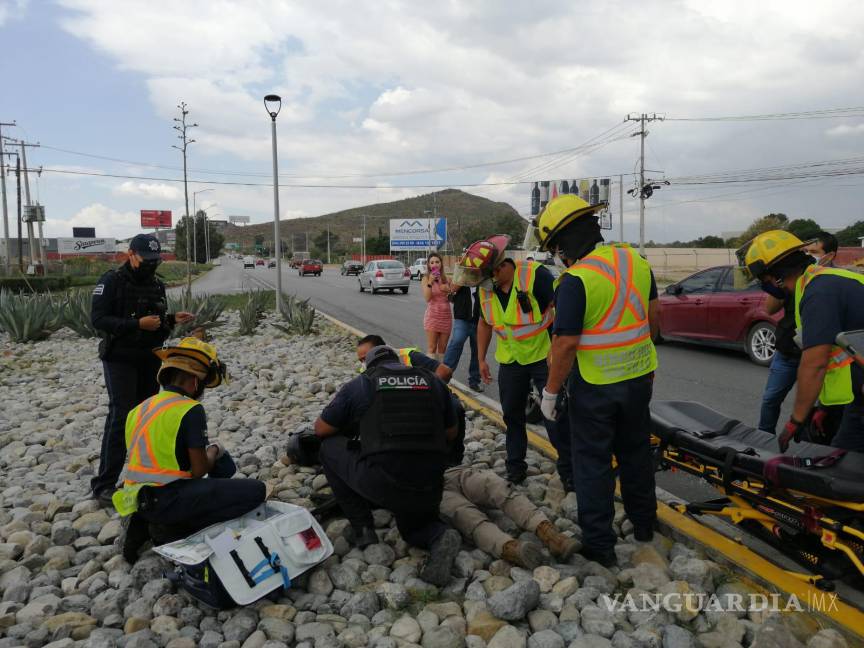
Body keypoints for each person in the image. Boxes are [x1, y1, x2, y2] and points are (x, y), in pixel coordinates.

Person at [535, 194, 660, 568]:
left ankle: (600, 546)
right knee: (636, 452)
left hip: (596, 385)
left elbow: (566, 342)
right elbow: (654, 316)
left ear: (563, 242)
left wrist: (551, 392)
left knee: (592, 462)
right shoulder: (636, 261)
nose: (556, 254)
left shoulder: (576, 280)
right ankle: (644, 524)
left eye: (555, 246)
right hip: (638, 378)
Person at [314, 345, 462, 586]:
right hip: (430, 484)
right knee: (413, 531)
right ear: (399, 361)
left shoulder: (361, 385)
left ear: (369, 365)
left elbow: (321, 429)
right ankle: (438, 535)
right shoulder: (432, 382)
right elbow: (451, 432)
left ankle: (362, 529)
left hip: (386, 482)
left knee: (328, 447)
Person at [114, 337, 266, 563]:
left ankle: (147, 523)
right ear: (195, 382)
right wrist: (214, 451)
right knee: (256, 491)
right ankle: (175, 529)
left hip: (139, 499)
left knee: (217, 476)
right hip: (169, 500)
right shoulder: (190, 409)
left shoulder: (139, 409)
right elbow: (198, 470)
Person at [459, 235, 573, 489]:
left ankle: (570, 471)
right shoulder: (485, 289)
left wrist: (558, 350)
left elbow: (563, 312)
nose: (484, 284)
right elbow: (484, 323)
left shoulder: (536, 276)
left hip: (543, 357)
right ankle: (515, 468)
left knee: (553, 414)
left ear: (501, 267)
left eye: (487, 277)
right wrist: (480, 359)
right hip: (510, 360)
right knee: (512, 416)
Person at [90, 234, 195, 507]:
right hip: (121, 359)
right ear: (131, 254)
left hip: (150, 357)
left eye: (155, 260)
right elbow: (98, 320)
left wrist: (171, 320)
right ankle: (104, 484)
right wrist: (136, 325)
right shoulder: (111, 281)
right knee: (121, 416)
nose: (151, 265)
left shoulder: (157, 285)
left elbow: (157, 321)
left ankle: (139, 476)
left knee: (145, 417)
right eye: (146, 260)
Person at [742, 230, 864, 452]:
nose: (767, 287)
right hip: (855, 388)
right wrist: (825, 408)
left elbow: (815, 363)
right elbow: (836, 357)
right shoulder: (819, 282)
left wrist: (795, 421)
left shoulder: (818, 292)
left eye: (764, 281)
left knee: (844, 460)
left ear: (776, 278)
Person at [757, 231, 839, 435]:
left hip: (823, 356)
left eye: (814, 252)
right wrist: (777, 285)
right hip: (788, 352)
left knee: (823, 407)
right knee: (770, 399)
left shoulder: (834, 281)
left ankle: (809, 442)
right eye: (805, 251)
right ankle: (762, 438)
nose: (809, 256)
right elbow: (769, 309)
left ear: (829, 256)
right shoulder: (790, 276)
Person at [440, 466, 579, 569]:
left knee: (497, 486)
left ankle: (549, 533)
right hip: (426, 490)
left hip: (450, 472)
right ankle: (510, 549)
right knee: (466, 516)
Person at [443, 284, 483, 391]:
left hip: (479, 320)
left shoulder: (482, 276)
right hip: (462, 318)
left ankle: (475, 381)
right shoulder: (461, 274)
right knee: (457, 341)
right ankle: (443, 375)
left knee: (478, 350)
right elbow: (451, 290)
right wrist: (463, 279)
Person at [422, 252, 454, 360]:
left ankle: (440, 375)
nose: (434, 264)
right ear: (429, 265)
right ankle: (430, 373)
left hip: (446, 317)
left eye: (437, 262)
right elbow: (427, 298)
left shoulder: (447, 279)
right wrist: (430, 282)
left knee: (442, 348)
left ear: (441, 264)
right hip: (433, 316)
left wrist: (449, 290)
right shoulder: (426, 279)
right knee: (431, 348)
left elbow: (453, 299)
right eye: (432, 262)